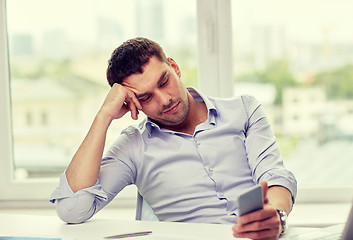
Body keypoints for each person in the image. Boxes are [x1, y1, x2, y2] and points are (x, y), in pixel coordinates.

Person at [50, 37, 297, 240]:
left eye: (164, 81)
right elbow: (72, 209)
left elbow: (274, 175)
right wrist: (104, 116)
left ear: (175, 68)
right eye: (146, 97)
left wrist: (275, 215)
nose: (164, 99)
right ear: (131, 102)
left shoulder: (244, 109)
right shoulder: (134, 147)